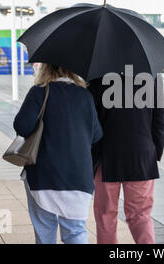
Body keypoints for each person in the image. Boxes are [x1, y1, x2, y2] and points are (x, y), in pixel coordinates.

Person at [13, 64, 103, 244]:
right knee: (76, 232)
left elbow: (22, 126)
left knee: (45, 231)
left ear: (46, 69)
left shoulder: (39, 92)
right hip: (78, 178)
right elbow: (97, 135)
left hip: (43, 176)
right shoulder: (85, 96)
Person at [89, 75, 164, 244]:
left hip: (107, 156)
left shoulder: (97, 78)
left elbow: (91, 123)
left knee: (105, 215)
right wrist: (155, 153)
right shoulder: (152, 78)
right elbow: (159, 122)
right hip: (141, 156)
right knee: (141, 214)